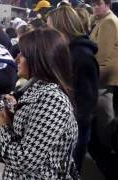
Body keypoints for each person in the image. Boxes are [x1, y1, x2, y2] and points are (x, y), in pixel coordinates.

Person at [0, 28, 78, 179]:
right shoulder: (37, 89)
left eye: (23, 54)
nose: (17, 59)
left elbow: (24, 161)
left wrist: (3, 128)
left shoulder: (52, 100)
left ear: (38, 59)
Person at [47, 5, 99, 173]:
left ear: (62, 28)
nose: (49, 34)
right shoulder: (68, 52)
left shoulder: (81, 56)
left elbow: (86, 102)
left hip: (73, 132)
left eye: (50, 29)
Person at [89, 0, 118, 178]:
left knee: (104, 113)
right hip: (104, 75)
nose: (94, 7)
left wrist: (92, 76)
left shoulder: (108, 21)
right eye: (93, 4)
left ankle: (109, 148)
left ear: (107, 4)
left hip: (104, 76)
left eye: (98, 3)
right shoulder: (103, 20)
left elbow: (102, 54)